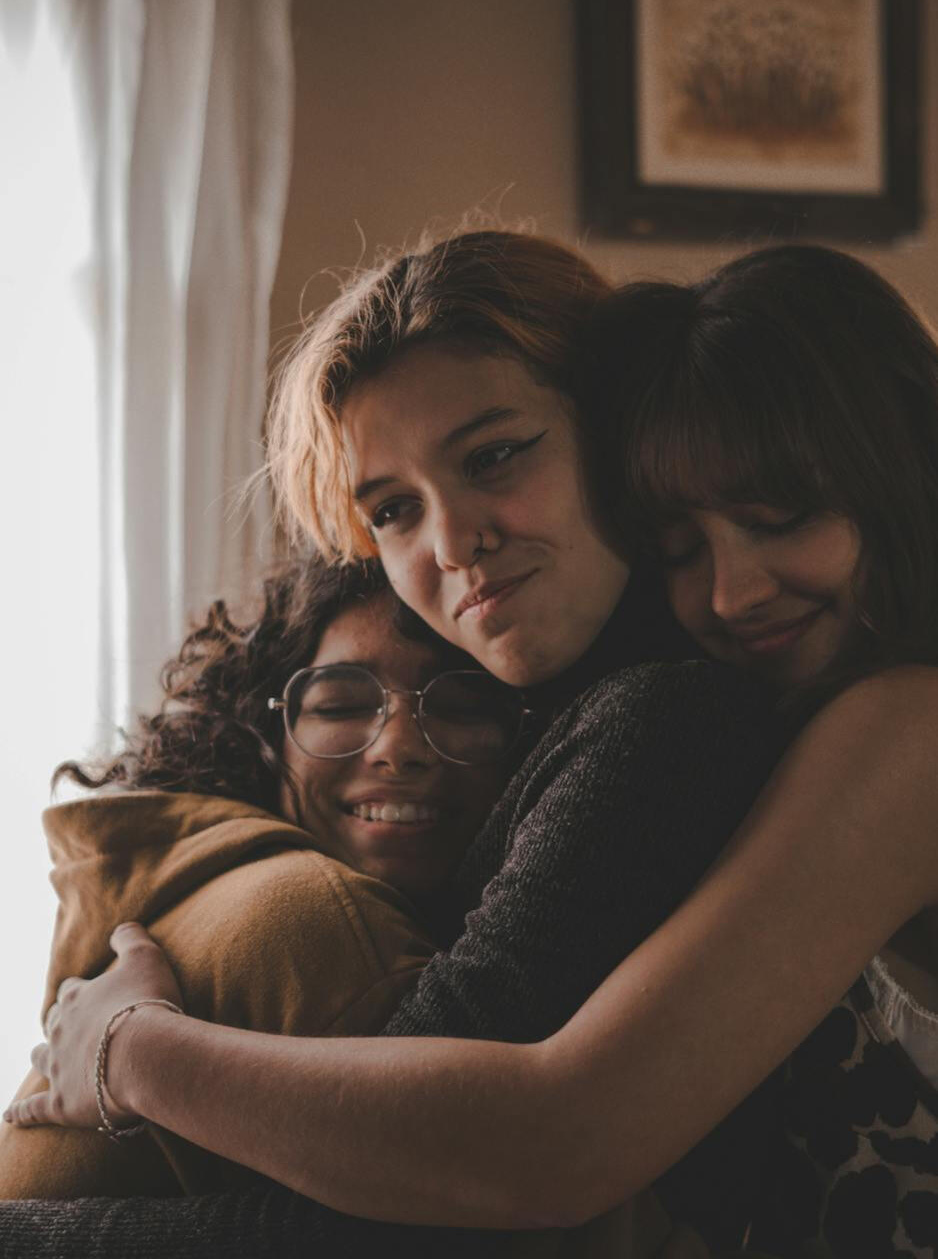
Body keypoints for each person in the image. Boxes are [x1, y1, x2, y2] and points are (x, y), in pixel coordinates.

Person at [10, 235, 936, 1256]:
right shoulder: (720, 711)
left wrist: (129, 1052)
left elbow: (497, 1171)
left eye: (494, 455)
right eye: (393, 510)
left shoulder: (747, 721)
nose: (452, 542)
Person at [0, 551, 517, 1206]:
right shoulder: (325, 922)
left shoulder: (193, 876)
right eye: (340, 704)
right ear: (265, 734)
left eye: (462, 705)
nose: (398, 747)